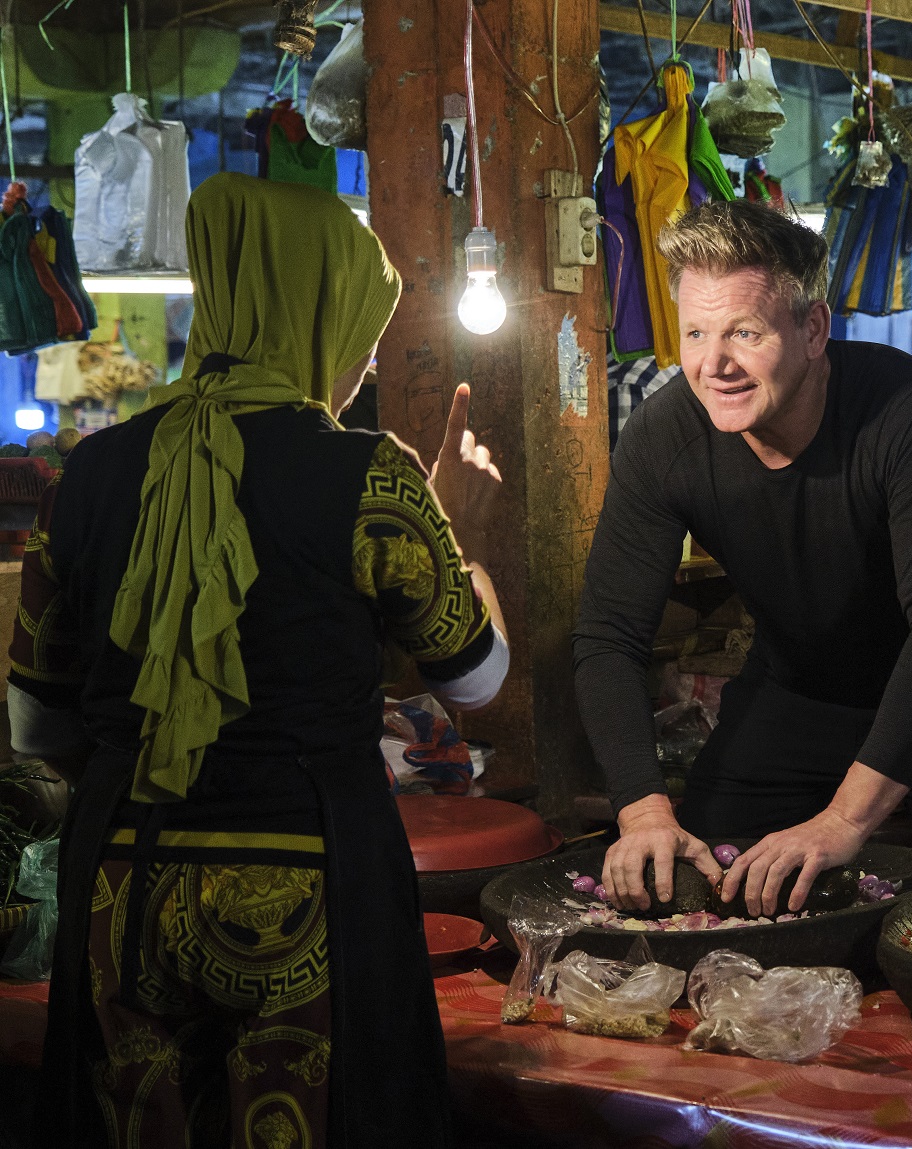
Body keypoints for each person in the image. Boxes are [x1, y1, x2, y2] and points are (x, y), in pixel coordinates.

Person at [8, 173, 508, 1149]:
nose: (363, 358)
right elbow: (476, 680)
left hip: (124, 883)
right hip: (309, 881)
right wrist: (464, 536)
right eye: (360, 325)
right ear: (314, 312)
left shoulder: (88, 475)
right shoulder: (370, 473)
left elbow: (38, 728)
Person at [574, 198, 912, 923]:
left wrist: (845, 820)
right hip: (795, 698)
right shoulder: (663, 437)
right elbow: (608, 637)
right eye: (698, 332)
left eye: (746, 331)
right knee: (701, 891)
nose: (715, 364)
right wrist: (643, 810)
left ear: (811, 328)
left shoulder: (909, 408)